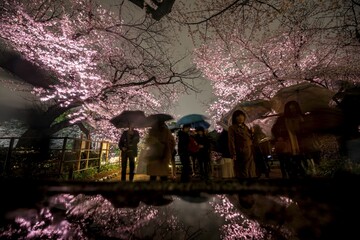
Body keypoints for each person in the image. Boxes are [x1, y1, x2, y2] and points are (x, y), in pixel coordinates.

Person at [271, 100, 314, 178]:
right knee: (290, 164)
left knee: (303, 163)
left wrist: (304, 126)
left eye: (294, 108)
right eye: (290, 108)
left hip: (301, 144)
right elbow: (274, 130)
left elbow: (309, 130)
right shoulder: (282, 119)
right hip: (288, 144)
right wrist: (279, 137)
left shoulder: (302, 117)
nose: (292, 110)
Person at [228, 110, 257, 178]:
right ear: (235, 118)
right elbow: (231, 141)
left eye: (242, 115)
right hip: (240, 152)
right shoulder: (232, 128)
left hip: (250, 151)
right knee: (243, 170)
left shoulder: (246, 127)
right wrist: (233, 153)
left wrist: (252, 133)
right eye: (238, 116)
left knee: (250, 169)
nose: (240, 117)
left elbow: (250, 139)